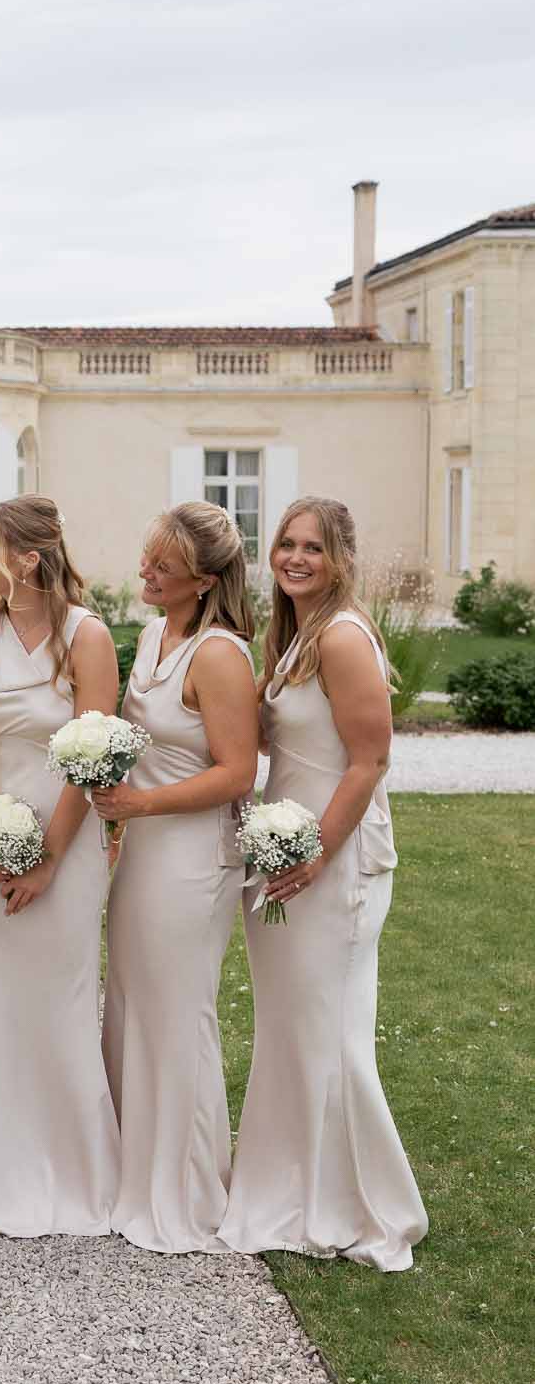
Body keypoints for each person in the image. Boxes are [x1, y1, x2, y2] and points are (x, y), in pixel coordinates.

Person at [219, 497, 427, 1269]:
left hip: (331, 860)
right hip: (282, 852)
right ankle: (286, 1187)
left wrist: (314, 852)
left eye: (312, 547)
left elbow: (369, 760)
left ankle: (360, 1206)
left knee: (330, 1029)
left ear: (339, 560)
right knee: (291, 1026)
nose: (294, 558)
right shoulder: (293, 636)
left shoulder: (340, 636)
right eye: (285, 544)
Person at [0, 497, 120, 1236]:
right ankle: (1, 1170)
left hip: (67, 835)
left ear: (27, 558)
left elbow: (94, 754)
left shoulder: (87, 635)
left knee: (62, 995)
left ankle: (77, 1173)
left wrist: (47, 857)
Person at [93, 501, 259, 1253]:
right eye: (148, 558)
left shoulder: (219, 655)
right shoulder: (155, 635)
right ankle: (135, 1169)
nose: (146, 572)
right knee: (132, 1002)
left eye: (163, 566)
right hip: (145, 851)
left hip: (193, 857)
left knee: (176, 1010)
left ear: (205, 580)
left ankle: (184, 1189)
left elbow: (236, 771)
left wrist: (140, 804)